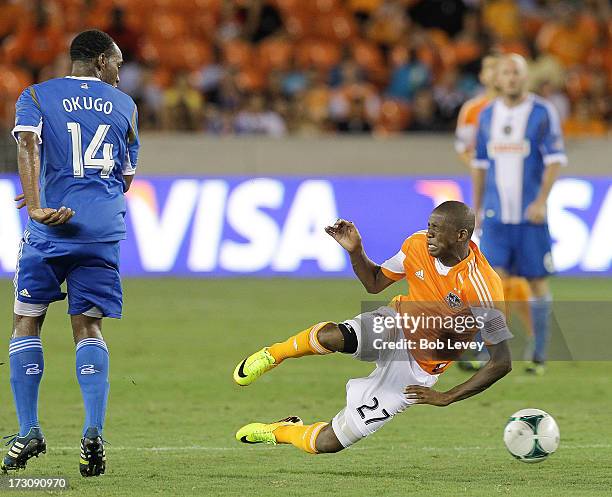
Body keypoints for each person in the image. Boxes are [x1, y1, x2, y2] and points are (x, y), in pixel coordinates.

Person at [232, 201, 512, 454]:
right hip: (396, 324)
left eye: (437, 230)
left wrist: (447, 397)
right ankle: (274, 354)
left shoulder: (483, 286)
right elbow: (375, 282)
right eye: (429, 227)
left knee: (327, 443)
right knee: (331, 336)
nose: (429, 234)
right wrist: (356, 251)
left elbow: (501, 362)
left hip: (417, 369)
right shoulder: (416, 246)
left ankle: (282, 430)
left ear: (461, 235)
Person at [3, 30, 139, 477]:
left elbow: (27, 143)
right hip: (101, 231)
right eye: (117, 63)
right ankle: (93, 430)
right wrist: (89, 200)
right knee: (89, 326)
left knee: (27, 320)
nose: (120, 73)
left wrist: (37, 200)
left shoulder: (37, 95)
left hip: (50, 229)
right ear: (100, 61)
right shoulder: (126, 107)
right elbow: (123, 178)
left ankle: (29, 430)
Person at [472, 54, 566, 376]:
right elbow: (480, 165)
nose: (511, 78)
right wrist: (477, 207)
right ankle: (489, 351)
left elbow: (555, 159)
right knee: (491, 284)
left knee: (537, 282)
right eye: (506, 72)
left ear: (526, 77)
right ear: (498, 79)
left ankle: (538, 352)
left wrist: (541, 200)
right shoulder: (486, 116)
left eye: (517, 72)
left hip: (530, 217)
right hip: (497, 217)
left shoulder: (542, 112)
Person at [455, 54, 532, 371]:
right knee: (491, 274)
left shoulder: (522, 110)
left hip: (516, 201)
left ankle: (527, 338)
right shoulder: (474, 110)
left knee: (509, 275)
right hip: (488, 198)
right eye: (486, 68)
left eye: (495, 68)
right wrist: (484, 177)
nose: (490, 73)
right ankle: (487, 342)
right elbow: (464, 150)